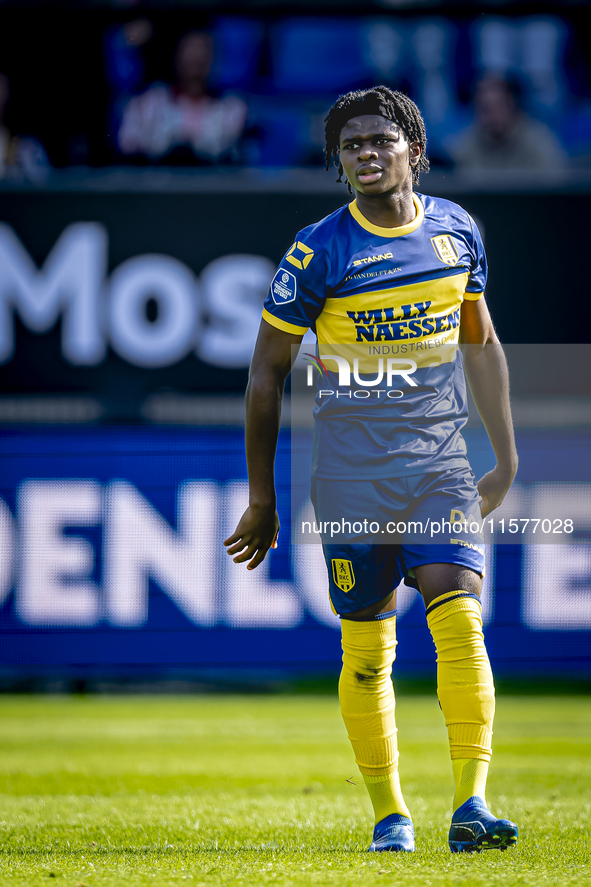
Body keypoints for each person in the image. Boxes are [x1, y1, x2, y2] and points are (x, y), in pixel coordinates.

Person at [224, 85, 519, 854]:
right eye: (350, 145)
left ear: (413, 152)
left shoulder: (457, 232)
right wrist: (263, 498)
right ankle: (390, 813)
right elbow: (265, 375)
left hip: (440, 468)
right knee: (367, 649)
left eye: (379, 141)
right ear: (337, 162)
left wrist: (506, 455)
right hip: (352, 477)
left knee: (458, 614)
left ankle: (471, 802)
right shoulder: (316, 250)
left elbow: (479, 344)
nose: (364, 153)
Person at [117, 30, 247, 165]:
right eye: (189, 50)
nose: (196, 58)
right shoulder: (148, 102)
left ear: (214, 59)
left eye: (203, 51)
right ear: (176, 56)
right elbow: (128, 145)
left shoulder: (232, 107)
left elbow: (231, 154)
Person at [448, 74, 567, 172]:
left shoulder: (540, 143)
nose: (489, 118)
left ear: (512, 105)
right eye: (484, 110)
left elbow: (556, 191)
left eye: (496, 108)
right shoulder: (465, 145)